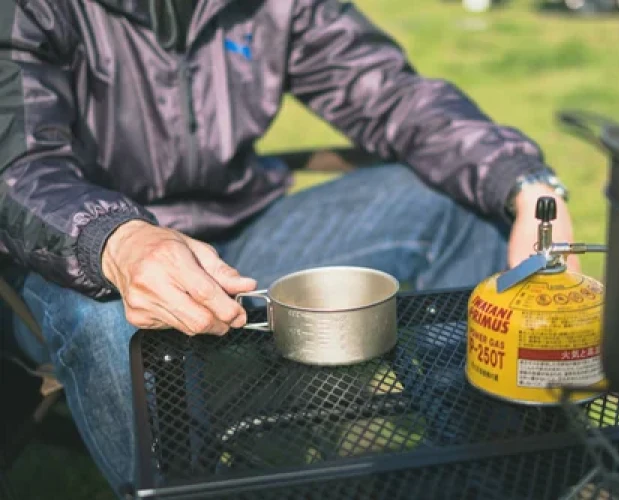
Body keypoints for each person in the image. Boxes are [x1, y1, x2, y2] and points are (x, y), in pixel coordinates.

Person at [0, 0, 579, 495]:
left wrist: (528, 186)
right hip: (79, 256)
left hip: (241, 235)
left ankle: (491, 473)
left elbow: (392, 95)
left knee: (461, 207)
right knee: (113, 319)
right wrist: (118, 241)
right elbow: (20, 168)